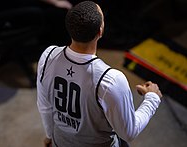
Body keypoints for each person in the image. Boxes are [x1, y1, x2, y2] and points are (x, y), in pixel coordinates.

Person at [36, 1, 163, 147]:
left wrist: (49, 136)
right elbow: (129, 132)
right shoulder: (110, 80)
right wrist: (152, 98)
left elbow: (44, 106)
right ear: (100, 31)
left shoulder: (48, 56)